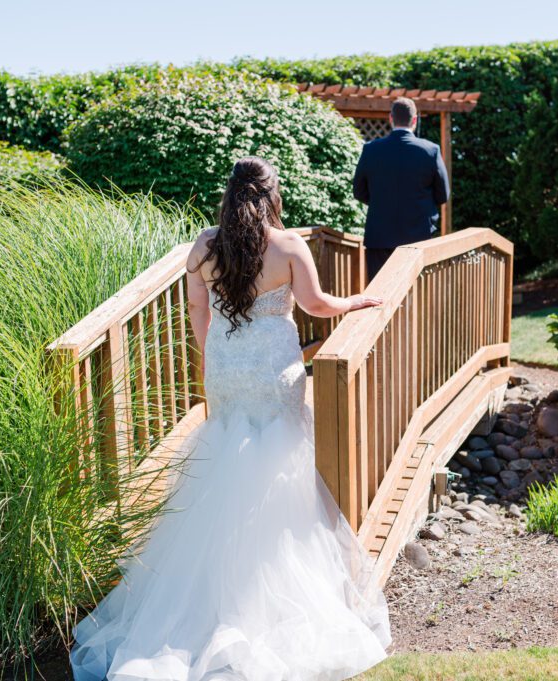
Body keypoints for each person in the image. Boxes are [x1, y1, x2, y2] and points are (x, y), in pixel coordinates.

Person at [70, 156, 390, 681]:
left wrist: (214, 355)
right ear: (272, 195)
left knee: (224, 461)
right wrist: (356, 301)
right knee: (279, 467)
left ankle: (207, 600)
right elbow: (314, 304)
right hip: (273, 370)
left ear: (230, 194)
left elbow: (198, 310)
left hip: (225, 366)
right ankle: (268, 593)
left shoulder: (205, 244)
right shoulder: (287, 246)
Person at [352, 96, 450, 281]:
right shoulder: (431, 150)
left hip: (379, 237)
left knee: (379, 294)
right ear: (414, 120)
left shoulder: (371, 150)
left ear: (391, 118)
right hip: (418, 237)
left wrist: (381, 201)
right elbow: (442, 195)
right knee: (416, 295)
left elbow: (359, 191)